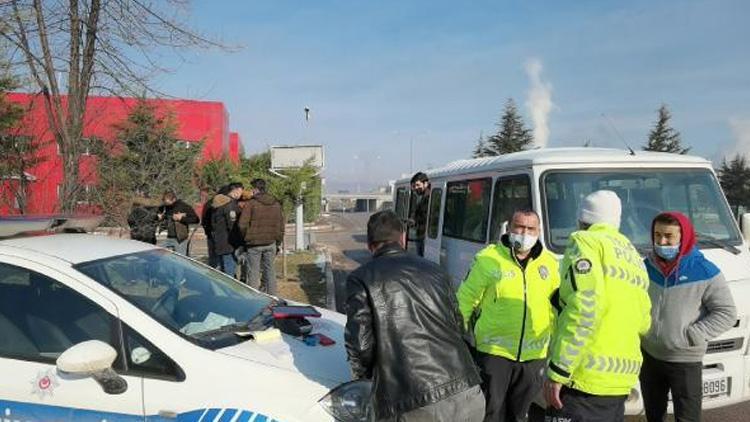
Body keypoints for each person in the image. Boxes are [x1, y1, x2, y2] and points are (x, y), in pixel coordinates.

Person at [345, 210, 485, 422]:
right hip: (467, 391)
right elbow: (458, 326)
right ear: (402, 238)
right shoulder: (436, 270)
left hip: (415, 402)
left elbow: (361, 346)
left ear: (370, 245)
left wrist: (366, 384)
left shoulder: (362, 278)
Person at [544, 190, 651, 422]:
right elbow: (644, 321)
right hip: (620, 380)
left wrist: (559, 370)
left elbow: (585, 308)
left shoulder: (585, 242)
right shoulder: (633, 256)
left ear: (582, 219)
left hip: (583, 377)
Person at [458, 209, 560, 422]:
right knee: (491, 412)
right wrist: (459, 341)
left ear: (538, 231)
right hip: (494, 353)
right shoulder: (488, 259)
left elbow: (556, 309)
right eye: (519, 227)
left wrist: (557, 349)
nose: (524, 233)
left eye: (530, 228)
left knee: (520, 415)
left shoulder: (549, 264)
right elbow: (464, 301)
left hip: (533, 356)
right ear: (509, 228)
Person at [640, 212, 736, 422]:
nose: (661, 242)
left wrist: (692, 335)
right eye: (657, 235)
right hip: (650, 356)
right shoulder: (645, 267)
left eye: (668, 236)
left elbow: (727, 312)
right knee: (653, 416)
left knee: (687, 419)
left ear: (683, 237)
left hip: (684, 360)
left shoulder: (705, 271)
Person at [238, 179, 284, 294]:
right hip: (271, 243)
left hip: (254, 244)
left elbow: (241, 225)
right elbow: (280, 226)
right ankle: (273, 296)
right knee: (270, 271)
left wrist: (246, 238)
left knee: (253, 272)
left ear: (256, 189)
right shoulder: (276, 203)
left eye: (252, 189)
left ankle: (254, 298)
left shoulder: (251, 204)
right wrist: (278, 242)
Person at [209, 182, 244, 277]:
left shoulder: (218, 204)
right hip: (229, 243)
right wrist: (239, 243)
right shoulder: (230, 205)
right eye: (241, 191)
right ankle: (229, 292)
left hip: (219, 241)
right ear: (235, 191)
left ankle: (220, 291)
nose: (241, 194)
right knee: (229, 271)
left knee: (221, 271)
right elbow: (232, 226)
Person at [157, 190, 200, 256]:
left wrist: (181, 218)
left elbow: (196, 219)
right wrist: (160, 216)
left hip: (180, 239)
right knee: (158, 253)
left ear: (174, 199)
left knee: (181, 258)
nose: (168, 205)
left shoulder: (184, 206)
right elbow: (163, 215)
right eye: (166, 203)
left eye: (169, 203)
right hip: (169, 237)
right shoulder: (165, 206)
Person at [409, 172, 430, 256]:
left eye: (418, 185)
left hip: (425, 237)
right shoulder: (421, 197)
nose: (415, 188)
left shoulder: (430, 198)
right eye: (414, 186)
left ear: (425, 184)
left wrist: (415, 221)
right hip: (420, 235)